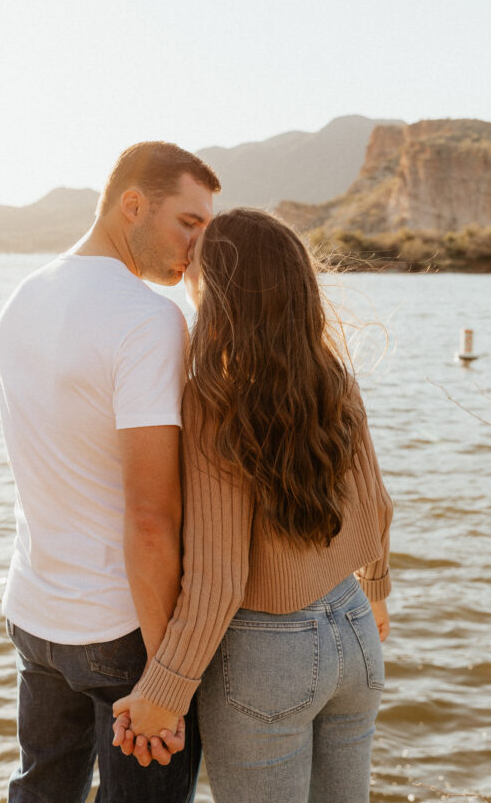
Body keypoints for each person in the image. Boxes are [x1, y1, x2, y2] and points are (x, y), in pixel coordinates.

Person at [113, 207, 393, 803]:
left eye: (196, 270)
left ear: (217, 292)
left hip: (269, 658)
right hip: (355, 630)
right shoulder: (333, 374)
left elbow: (217, 578)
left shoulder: (214, 398)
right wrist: (376, 593)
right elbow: (378, 506)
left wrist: (164, 692)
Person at [0, 141, 220, 803]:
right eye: (188, 223)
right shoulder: (147, 320)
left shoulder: (23, 297)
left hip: (34, 611)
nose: (197, 246)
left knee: (41, 792)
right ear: (131, 204)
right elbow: (151, 518)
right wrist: (165, 674)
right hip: (119, 630)